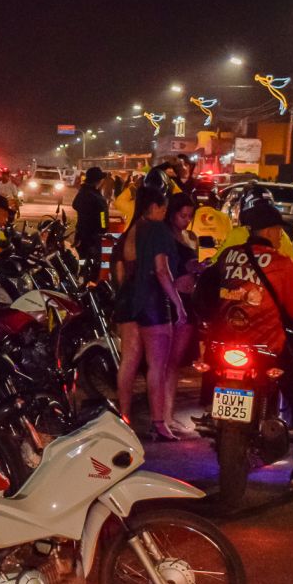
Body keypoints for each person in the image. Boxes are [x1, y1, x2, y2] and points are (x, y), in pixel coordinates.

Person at [206, 200, 293, 495]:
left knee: (211, 374)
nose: (281, 236)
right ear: (268, 231)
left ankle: (211, 417)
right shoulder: (281, 264)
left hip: (225, 343)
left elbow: (207, 289)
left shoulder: (229, 255)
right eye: (279, 231)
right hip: (266, 346)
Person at [120, 187, 187, 442]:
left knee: (128, 363)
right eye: (164, 207)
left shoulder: (131, 229)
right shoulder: (158, 230)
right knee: (157, 366)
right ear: (155, 207)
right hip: (153, 302)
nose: (165, 212)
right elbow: (161, 270)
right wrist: (177, 302)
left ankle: (124, 417)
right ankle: (159, 423)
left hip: (129, 301)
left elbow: (121, 270)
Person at [164, 192, 202, 431]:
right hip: (171, 301)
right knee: (167, 362)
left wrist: (197, 267)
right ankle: (164, 416)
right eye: (183, 215)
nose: (187, 220)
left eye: (190, 216)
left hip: (187, 300)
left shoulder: (188, 237)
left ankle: (167, 415)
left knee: (175, 363)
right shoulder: (165, 237)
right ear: (172, 214)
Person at [71, 166, 109, 271]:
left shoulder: (83, 192)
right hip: (94, 235)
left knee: (82, 257)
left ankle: (81, 272)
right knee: (94, 261)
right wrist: (103, 229)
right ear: (98, 181)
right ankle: (90, 278)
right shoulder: (97, 197)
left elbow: (75, 205)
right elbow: (103, 216)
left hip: (81, 233)